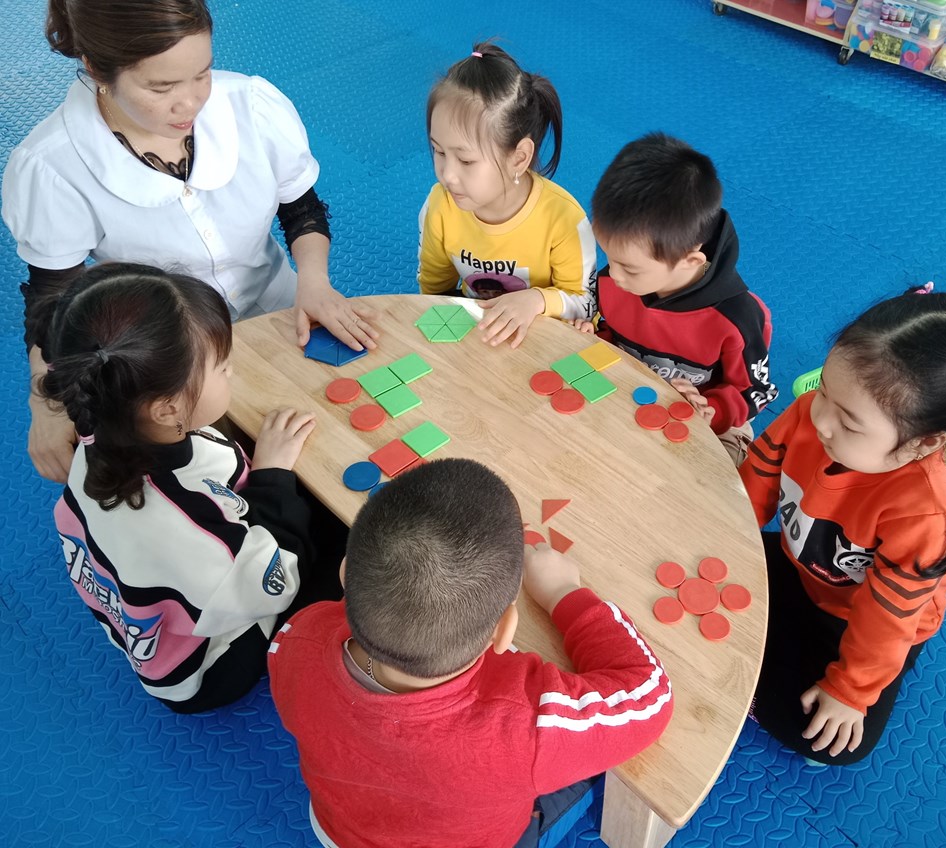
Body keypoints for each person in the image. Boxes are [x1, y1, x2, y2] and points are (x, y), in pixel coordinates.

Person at [1, 0, 378, 484]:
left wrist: (315, 281)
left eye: (202, 74)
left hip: (284, 315)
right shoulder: (52, 167)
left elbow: (301, 209)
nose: (190, 103)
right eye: (161, 87)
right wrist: (46, 403)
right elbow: (54, 299)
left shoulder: (251, 105)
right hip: (173, 361)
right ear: (96, 69)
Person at [269, 458, 674, 848]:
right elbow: (651, 695)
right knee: (594, 771)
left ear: (345, 573)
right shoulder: (529, 728)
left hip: (340, 831)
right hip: (481, 837)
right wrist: (565, 594)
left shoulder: (295, 640)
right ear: (504, 631)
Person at [41, 262, 338, 714]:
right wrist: (272, 475)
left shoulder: (98, 425)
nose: (232, 373)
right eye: (223, 367)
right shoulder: (183, 522)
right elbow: (277, 582)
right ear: (166, 409)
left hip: (170, 595)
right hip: (204, 670)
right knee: (348, 546)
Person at [739, 284, 946, 765]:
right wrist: (727, 536)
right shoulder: (810, 415)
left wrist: (849, 690)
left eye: (849, 423)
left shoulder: (924, 514)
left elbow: (888, 618)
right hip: (803, 566)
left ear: (922, 444)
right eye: (824, 390)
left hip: (861, 616)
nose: (820, 420)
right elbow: (756, 479)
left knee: (831, 740)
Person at [582, 133, 777, 441]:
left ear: (690, 261)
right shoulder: (617, 281)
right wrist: (594, 337)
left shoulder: (736, 318)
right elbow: (614, 333)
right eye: (609, 256)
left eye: (629, 267)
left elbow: (756, 391)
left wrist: (712, 410)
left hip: (710, 422)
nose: (612, 275)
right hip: (631, 395)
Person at [417, 42, 597, 349]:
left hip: (546, 345)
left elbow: (586, 306)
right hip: (480, 337)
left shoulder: (565, 220)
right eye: (438, 151)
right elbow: (434, 293)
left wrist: (536, 300)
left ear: (518, 158)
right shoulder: (439, 206)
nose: (447, 175)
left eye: (466, 161)